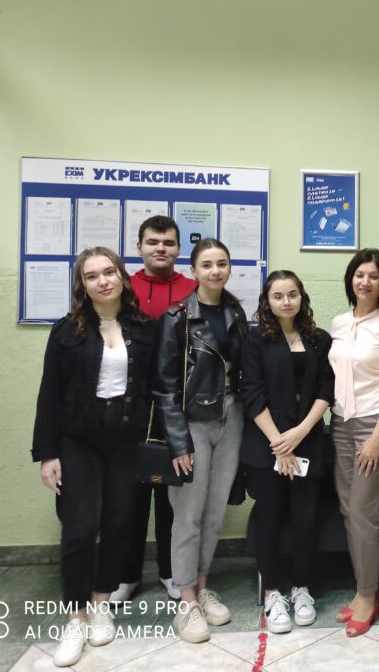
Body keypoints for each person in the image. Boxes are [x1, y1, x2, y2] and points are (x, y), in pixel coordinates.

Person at [32, 247, 156, 667]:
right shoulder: (66, 330)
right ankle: (76, 616)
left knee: (119, 523)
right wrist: (47, 453)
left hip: (125, 440)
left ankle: (102, 603)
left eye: (109, 272)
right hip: (78, 441)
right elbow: (49, 393)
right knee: (80, 528)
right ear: (82, 285)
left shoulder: (144, 328)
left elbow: (155, 387)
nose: (103, 281)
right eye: (92, 276)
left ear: (122, 276)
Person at [154, 238, 249, 643]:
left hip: (232, 417)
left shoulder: (236, 312)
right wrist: (178, 442)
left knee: (213, 514)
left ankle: (203, 586)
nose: (215, 271)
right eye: (207, 264)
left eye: (221, 263)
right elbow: (164, 386)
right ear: (193, 270)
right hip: (192, 422)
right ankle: (186, 600)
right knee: (187, 515)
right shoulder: (177, 316)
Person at [241, 270, 334, 633]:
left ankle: (301, 588)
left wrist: (300, 433)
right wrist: (280, 445)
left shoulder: (319, 339)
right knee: (268, 519)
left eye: (292, 294)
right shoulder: (255, 339)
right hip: (266, 445)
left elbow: (327, 388)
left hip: (307, 440)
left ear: (302, 297)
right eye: (278, 296)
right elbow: (252, 393)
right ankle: (272, 593)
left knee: (304, 519)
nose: (286, 301)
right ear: (267, 301)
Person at [113, 215, 196, 605]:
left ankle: (170, 571)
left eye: (168, 242)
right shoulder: (122, 289)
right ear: (139, 247)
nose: (160, 248)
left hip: (177, 407)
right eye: (152, 242)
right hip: (130, 407)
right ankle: (126, 575)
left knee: (171, 496)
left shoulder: (193, 289)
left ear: (178, 248)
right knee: (129, 497)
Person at [329, 248, 379, 637]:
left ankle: (367, 594)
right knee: (349, 510)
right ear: (350, 279)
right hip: (340, 424)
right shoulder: (339, 323)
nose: (365, 282)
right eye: (359, 275)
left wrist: (378, 436)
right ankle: (363, 587)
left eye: (373, 276)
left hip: (375, 426)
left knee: (363, 511)